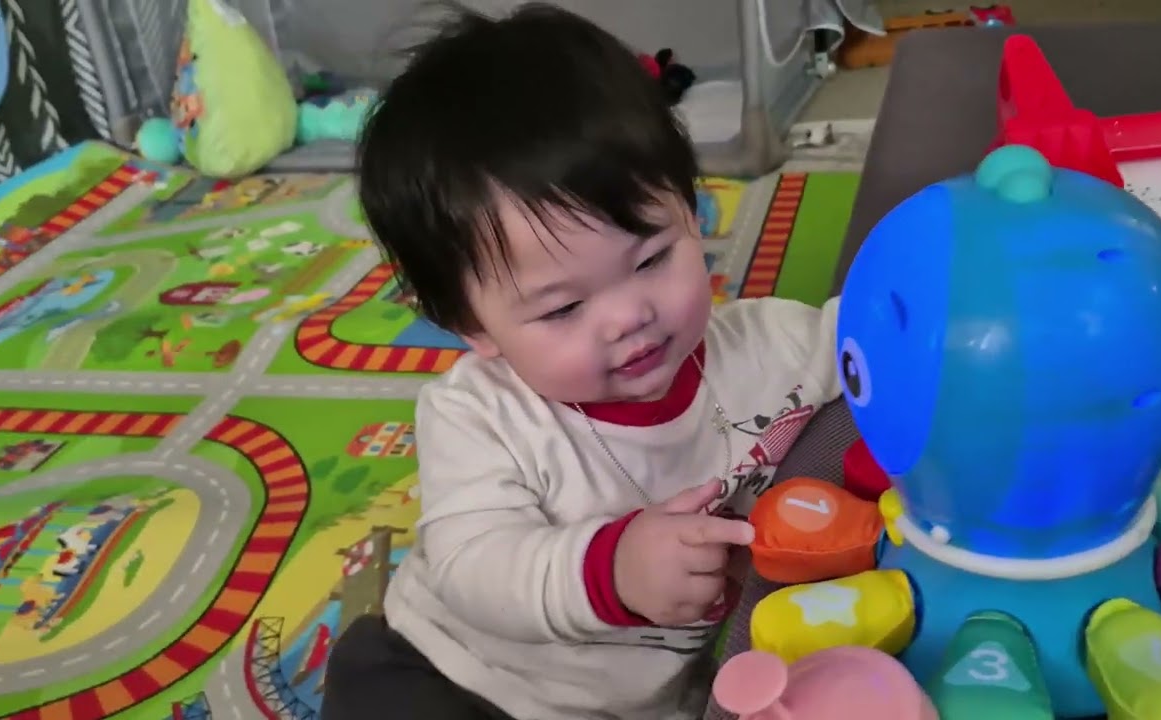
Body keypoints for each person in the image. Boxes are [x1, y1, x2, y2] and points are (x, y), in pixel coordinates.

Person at [321, 3, 841, 719]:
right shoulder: (478, 414)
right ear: (474, 326)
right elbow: (475, 565)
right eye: (563, 308)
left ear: (692, 213)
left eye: (654, 257)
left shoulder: (774, 346)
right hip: (465, 675)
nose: (630, 315)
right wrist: (612, 572)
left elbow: (872, 338)